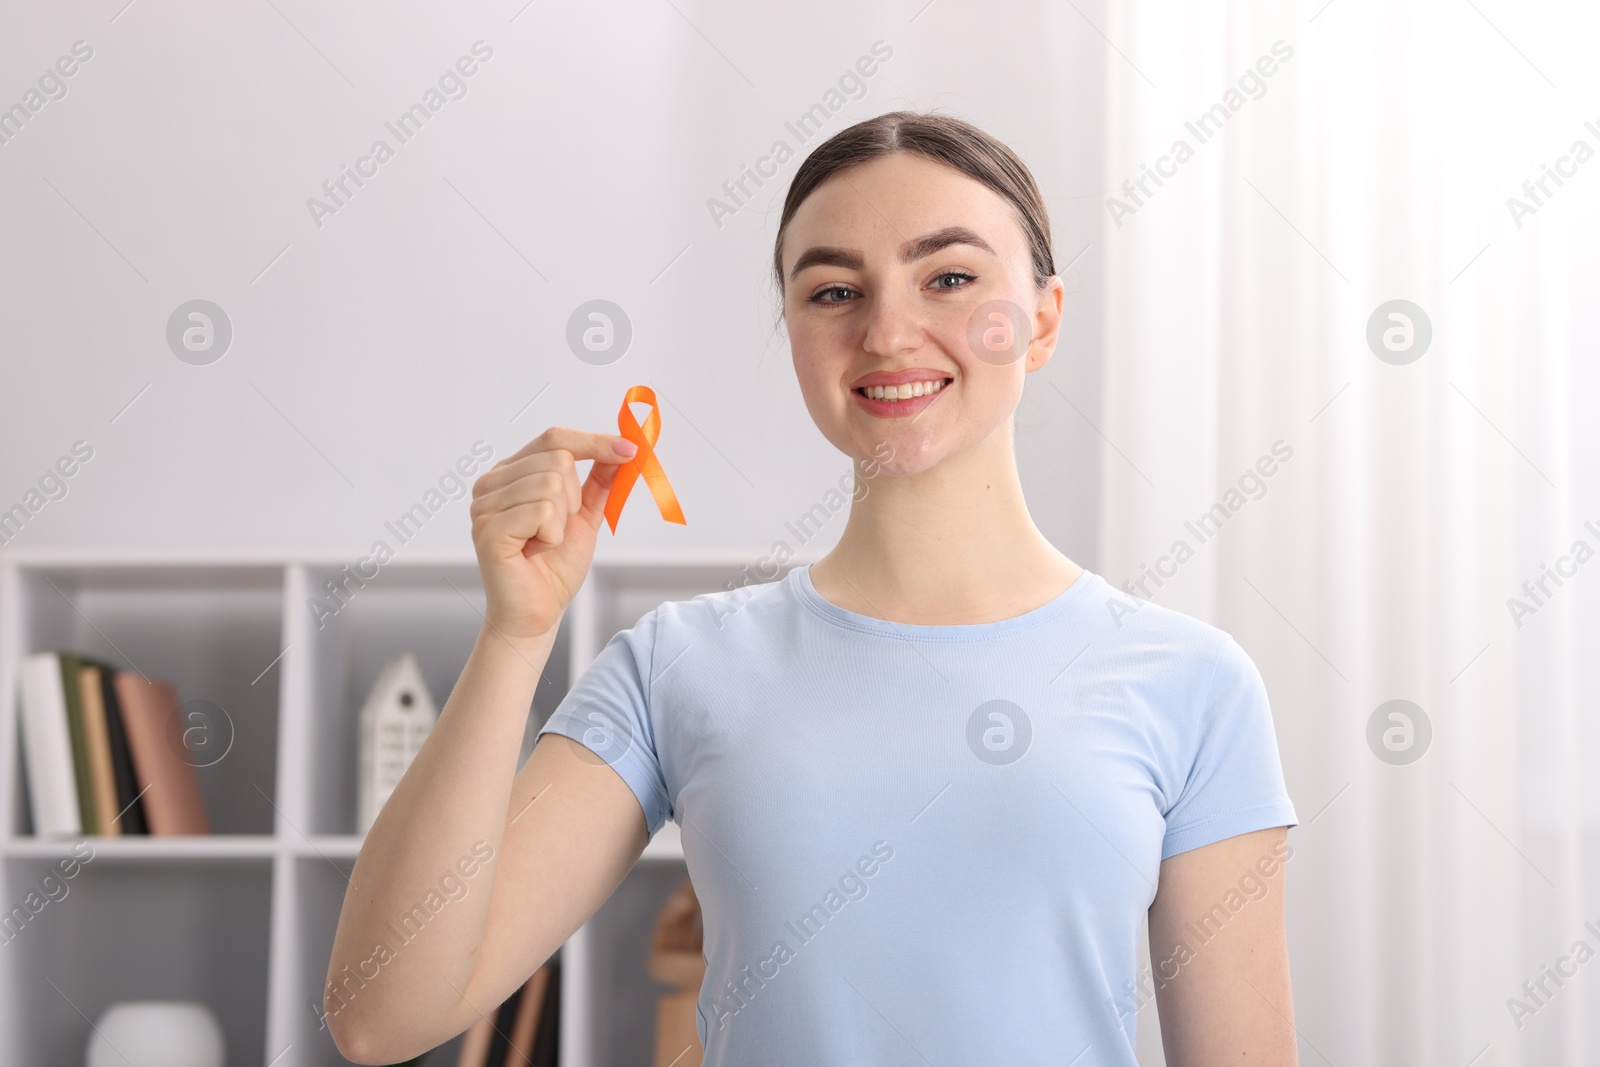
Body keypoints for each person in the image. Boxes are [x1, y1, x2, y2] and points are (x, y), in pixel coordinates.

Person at [325, 110, 1300, 1066]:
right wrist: (515, 634)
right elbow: (381, 1011)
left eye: (949, 277)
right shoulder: (679, 665)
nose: (888, 329)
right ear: (792, 329)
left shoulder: (1191, 681)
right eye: (833, 291)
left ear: (1040, 321)